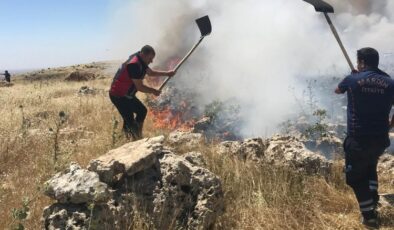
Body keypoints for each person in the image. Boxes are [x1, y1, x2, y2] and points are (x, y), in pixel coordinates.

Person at [335, 47, 394, 228]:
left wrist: (354, 76)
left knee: (354, 178)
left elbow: (337, 90)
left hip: (358, 139)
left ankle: (369, 217)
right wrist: (391, 124)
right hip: (380, 139)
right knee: (370, 167)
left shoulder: (352, 79)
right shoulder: (390, 82)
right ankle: (373, 200)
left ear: (361, 62)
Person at [109, 45, 175, 140]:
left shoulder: (140, 59)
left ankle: (136, 135)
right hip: (118, 96)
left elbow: (150, 73)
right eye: (150, 58)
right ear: (143, 54)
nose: (151, 61)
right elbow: (140, 87)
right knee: (129, 119)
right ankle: (128, 140)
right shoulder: (134, 65)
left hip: (128, 95)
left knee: (141, 111)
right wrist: (154, 91)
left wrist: (167, 73)